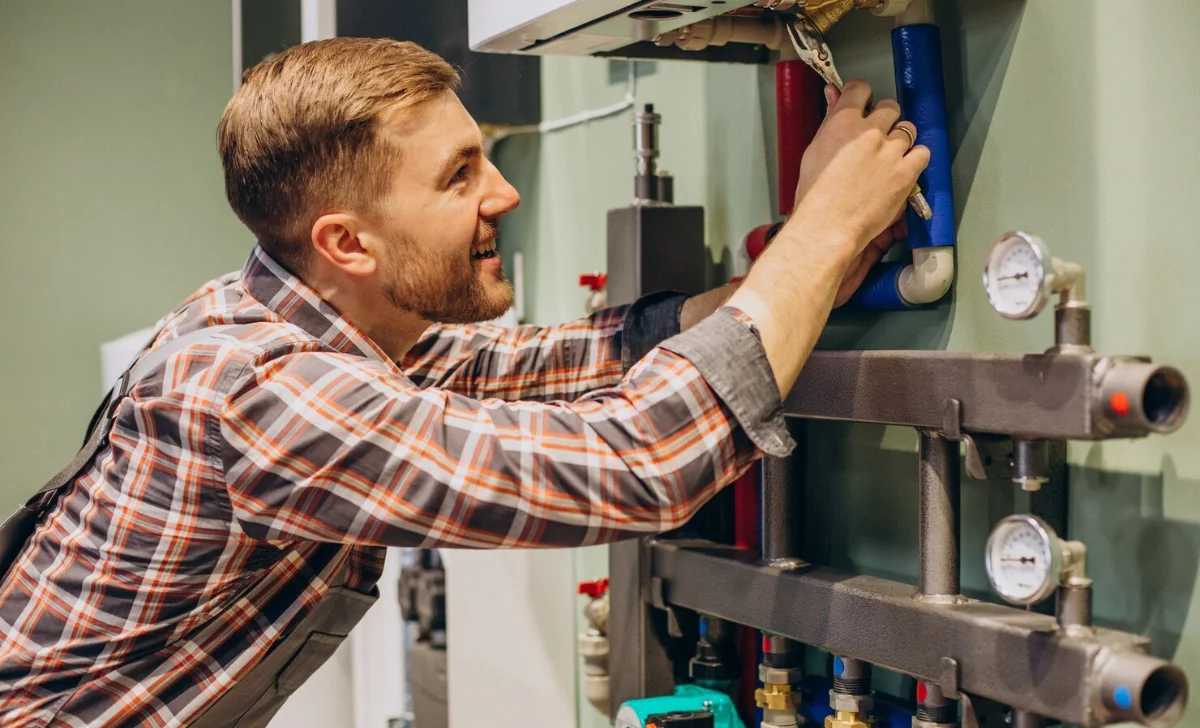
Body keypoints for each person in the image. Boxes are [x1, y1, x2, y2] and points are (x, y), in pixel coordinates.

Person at [0, 37, 927, 727]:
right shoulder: (258, 392)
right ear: (347, 243)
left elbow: (537, 367)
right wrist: (822, 233)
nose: (504, 193)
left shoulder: (317, 322)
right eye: (459, 175)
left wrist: (787, 281)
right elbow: (638, 466)